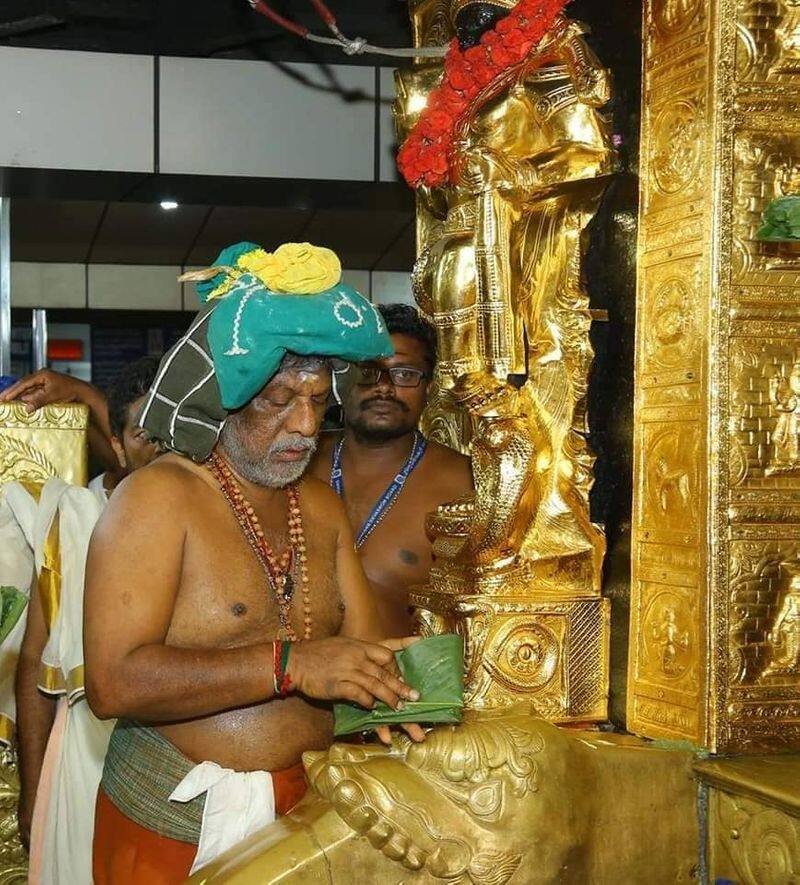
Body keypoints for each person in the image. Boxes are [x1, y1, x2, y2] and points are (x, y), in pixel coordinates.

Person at [85, 241, 425, 884]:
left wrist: (408, 690)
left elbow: (362, 654)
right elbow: (113, 684)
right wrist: (291, 664)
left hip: (310, 825)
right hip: (169, 834)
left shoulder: (321, 508)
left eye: (319, 400)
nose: (302, 424)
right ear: (225, 397)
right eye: (277, 400)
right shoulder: (158, 498)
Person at [10, 357, 161, 885]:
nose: (163, 449)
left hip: (180, 750)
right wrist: (33, 792)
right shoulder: (71, 515)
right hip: (85, 751)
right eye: (146, 435)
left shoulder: (219, 517)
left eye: (175, 431)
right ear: (117, 445)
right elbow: (35, 663)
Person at [310, 304, 473, 636]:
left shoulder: (463, 482)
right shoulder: (297, 465)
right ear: (342, 380)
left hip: (405, 681)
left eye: (404, 374)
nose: (383, 387)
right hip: (295, 679)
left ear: (429, 387)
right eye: (368, 372)